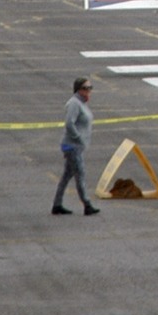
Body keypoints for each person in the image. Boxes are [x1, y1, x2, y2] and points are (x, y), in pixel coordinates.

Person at [52, 78, 99, 216]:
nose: (89, 90)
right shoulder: (74, 104)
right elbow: (69, 124)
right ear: (78, 89)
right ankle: (87, 204)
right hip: (72, 146)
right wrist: (78, 138)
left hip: (76, 146)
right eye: (86, 88)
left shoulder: (82, 103)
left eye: (90, 87)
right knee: (80, 174)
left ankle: (57, 204)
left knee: (66, 176)